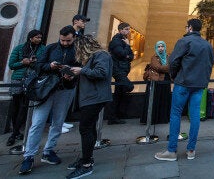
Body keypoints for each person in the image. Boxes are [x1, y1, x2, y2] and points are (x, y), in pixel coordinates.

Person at [19, 26, 80, 175]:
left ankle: (49, 150)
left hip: (66, 89)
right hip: (46, 89)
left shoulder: (77, 50)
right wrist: (50, 66)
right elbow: (38, 65)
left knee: (58, 122)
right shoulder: (51, 48)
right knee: (38, 122)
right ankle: (29, 155)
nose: (65, 43)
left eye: (68, 40)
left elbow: (81, 67)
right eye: (63, 40)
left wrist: (71, 72)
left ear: (73, 38)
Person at [155, 19, 214, 161]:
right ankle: (191, 150)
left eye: (186, 27)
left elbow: (173, 61)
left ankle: (171, 151)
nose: (186, 29)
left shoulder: (184, 41)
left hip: (183, 83)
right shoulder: (207, 45)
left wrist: (174, 76)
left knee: (175, 114)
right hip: (198, 85)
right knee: (195, 116)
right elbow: (210, 63)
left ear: (190, 28)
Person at [66, 35, 112, 179]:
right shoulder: (96, 57)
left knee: (85, 129)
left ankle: (86, 164)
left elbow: (101, 73)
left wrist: (81, 71)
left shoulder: (101, 55)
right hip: (90, 97)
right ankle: (87, 158)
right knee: (89, 128)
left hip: (95, 98)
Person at [7, 29, 45, 146]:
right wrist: (23, 63)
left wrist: (33, 63)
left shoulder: (42, 49)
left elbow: (43, 63)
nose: (39, 39)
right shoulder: (19, 48)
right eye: (37, 37)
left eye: (40, 37)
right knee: (15, 105)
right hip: (18, 79)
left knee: (24, 105)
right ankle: (16, 131)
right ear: (30, 37)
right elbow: (11, 64)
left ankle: (15, 133)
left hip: (32, 79)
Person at [107, 22, 134, 125]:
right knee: (129, 86)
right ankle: (112, 115)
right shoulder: (116, 41)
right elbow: (122, 54)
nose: (128, 31)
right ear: (121, 30)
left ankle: (115, 116)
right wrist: (127, 46)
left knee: (120, 93)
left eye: (129, 29)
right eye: (126, 29)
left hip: (123, 69)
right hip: (118, 70)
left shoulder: (123, 41)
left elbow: (131, 56)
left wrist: (127, 55)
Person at [140, 41, 171, 124]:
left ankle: (162, 118)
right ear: (156, 48)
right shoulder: (154, 57)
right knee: (155, 100)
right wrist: (168, 68)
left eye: (162, 46)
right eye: (159, 47)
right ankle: (153, 119)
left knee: (164, 99)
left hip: (166, 81)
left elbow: (171, 66)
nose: (161, 48)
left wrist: (166, 67)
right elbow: (158, 67)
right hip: (157, 81)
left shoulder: (168, 56)